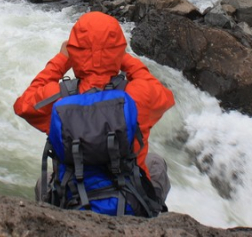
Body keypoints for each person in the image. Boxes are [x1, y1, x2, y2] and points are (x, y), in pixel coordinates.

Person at [13, 11, 175, 205]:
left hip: (72, 200)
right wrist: (121, 57)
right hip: (129, 202)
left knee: (45, 180)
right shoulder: (139, 95)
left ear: (74, 51)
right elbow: (165, 95)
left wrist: (62, 58)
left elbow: (23, 105)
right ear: (119, 49)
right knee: (156, 163)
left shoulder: (57, 98)